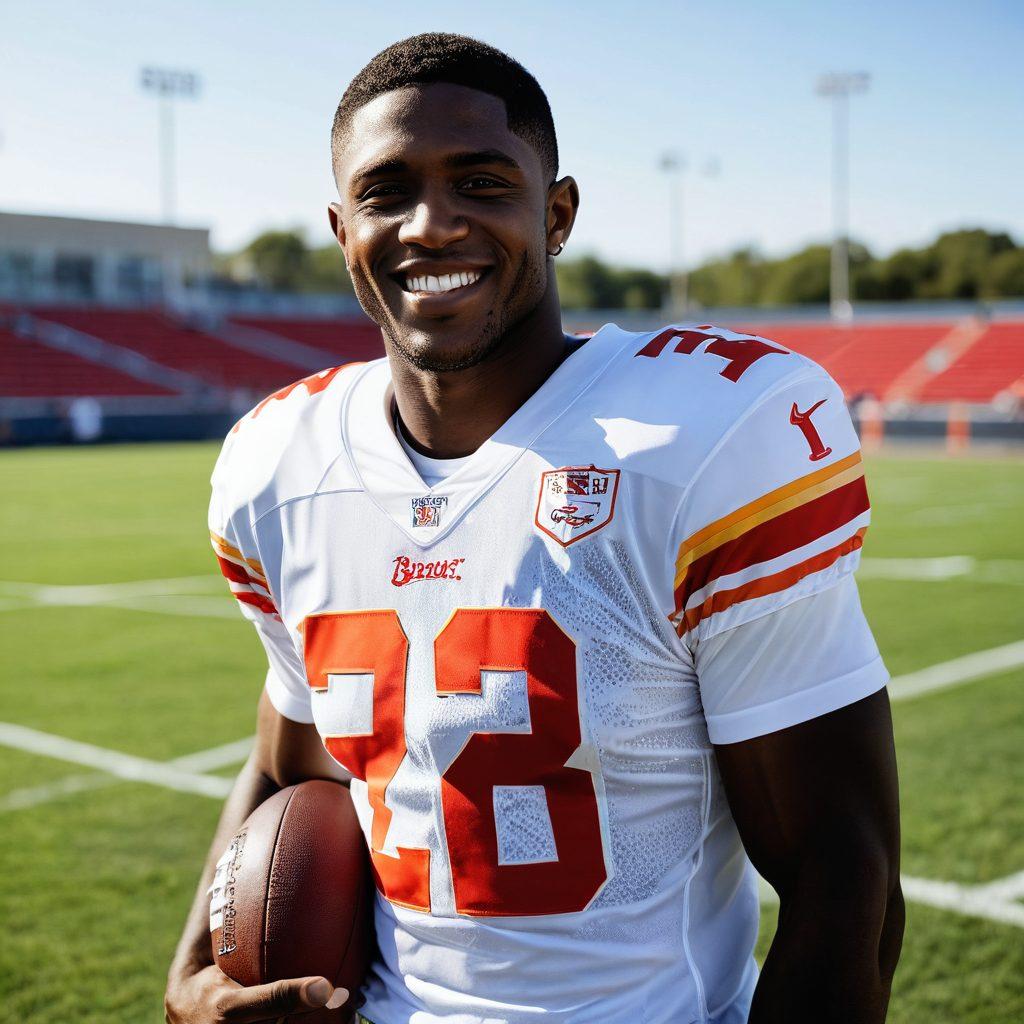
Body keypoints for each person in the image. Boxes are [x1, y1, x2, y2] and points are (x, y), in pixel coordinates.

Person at [166, 33, 903, 1024]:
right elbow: (284, 761)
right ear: (342, 229)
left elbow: (842, 873)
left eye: (479, 181)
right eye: (387, 192)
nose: (431, 224)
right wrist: (189, 974)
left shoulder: (704, 439)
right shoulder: (277, 465)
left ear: (555, 214)